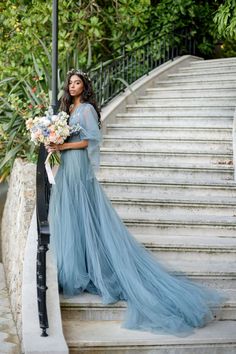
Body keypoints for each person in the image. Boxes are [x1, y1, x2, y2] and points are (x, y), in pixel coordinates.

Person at [47, 69, 226, 336]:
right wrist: (52, 139)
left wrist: (62, 147)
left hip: (79, 167)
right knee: (70, 214)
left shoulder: (85, 110)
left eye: (77, 83)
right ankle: (75, 267)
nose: (73, 86)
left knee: (85, 212)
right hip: (67, 168)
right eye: (71, 83)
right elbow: (68, 135)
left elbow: (89, 140)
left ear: (85, 87)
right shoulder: (68, 110)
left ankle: (94, 270)